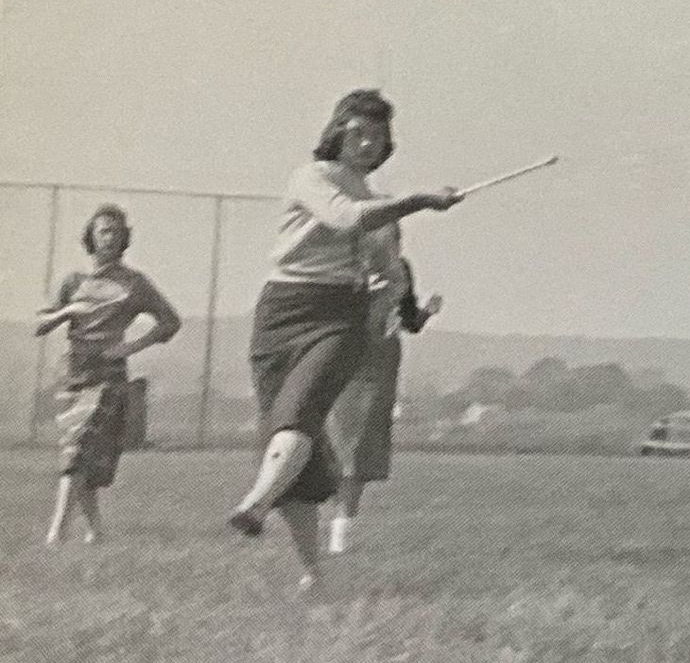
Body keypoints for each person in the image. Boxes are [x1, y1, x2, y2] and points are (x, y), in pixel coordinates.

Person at [227, 91, 461, 589]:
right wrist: (419, 201)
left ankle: (255, 504)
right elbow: (344, 217)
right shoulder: (311, 177)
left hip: (341, 315)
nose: (368, 144)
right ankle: (313, 571)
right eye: (358, 133)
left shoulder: (380, 204)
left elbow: (389, 267)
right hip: (281, 310)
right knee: (293, 442)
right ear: (337, 131)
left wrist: (396, 293)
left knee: (300, 412)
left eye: (378, 136)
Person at [322, 134, 445, 556]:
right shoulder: (343, 265)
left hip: (378, 363)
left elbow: (409, 321)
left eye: (392, 233)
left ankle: (341, 529)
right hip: (341, 357)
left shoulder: (401, 271)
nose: (387, 238)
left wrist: (426, 312)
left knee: (358, 447)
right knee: (327, 441)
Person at [33, 204, 181, 545]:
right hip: (73, 373)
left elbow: (170, 321)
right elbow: (40, 324)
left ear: (124, 238)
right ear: (91, 237)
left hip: (108, 375)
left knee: (77, 447)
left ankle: (57, 533)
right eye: (103, 231)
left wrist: (131, 347)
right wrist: (67, 312)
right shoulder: (73, 282)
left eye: (116, 231)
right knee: (83, 455)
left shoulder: (134, 284)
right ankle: (97, 531)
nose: (110, 238)